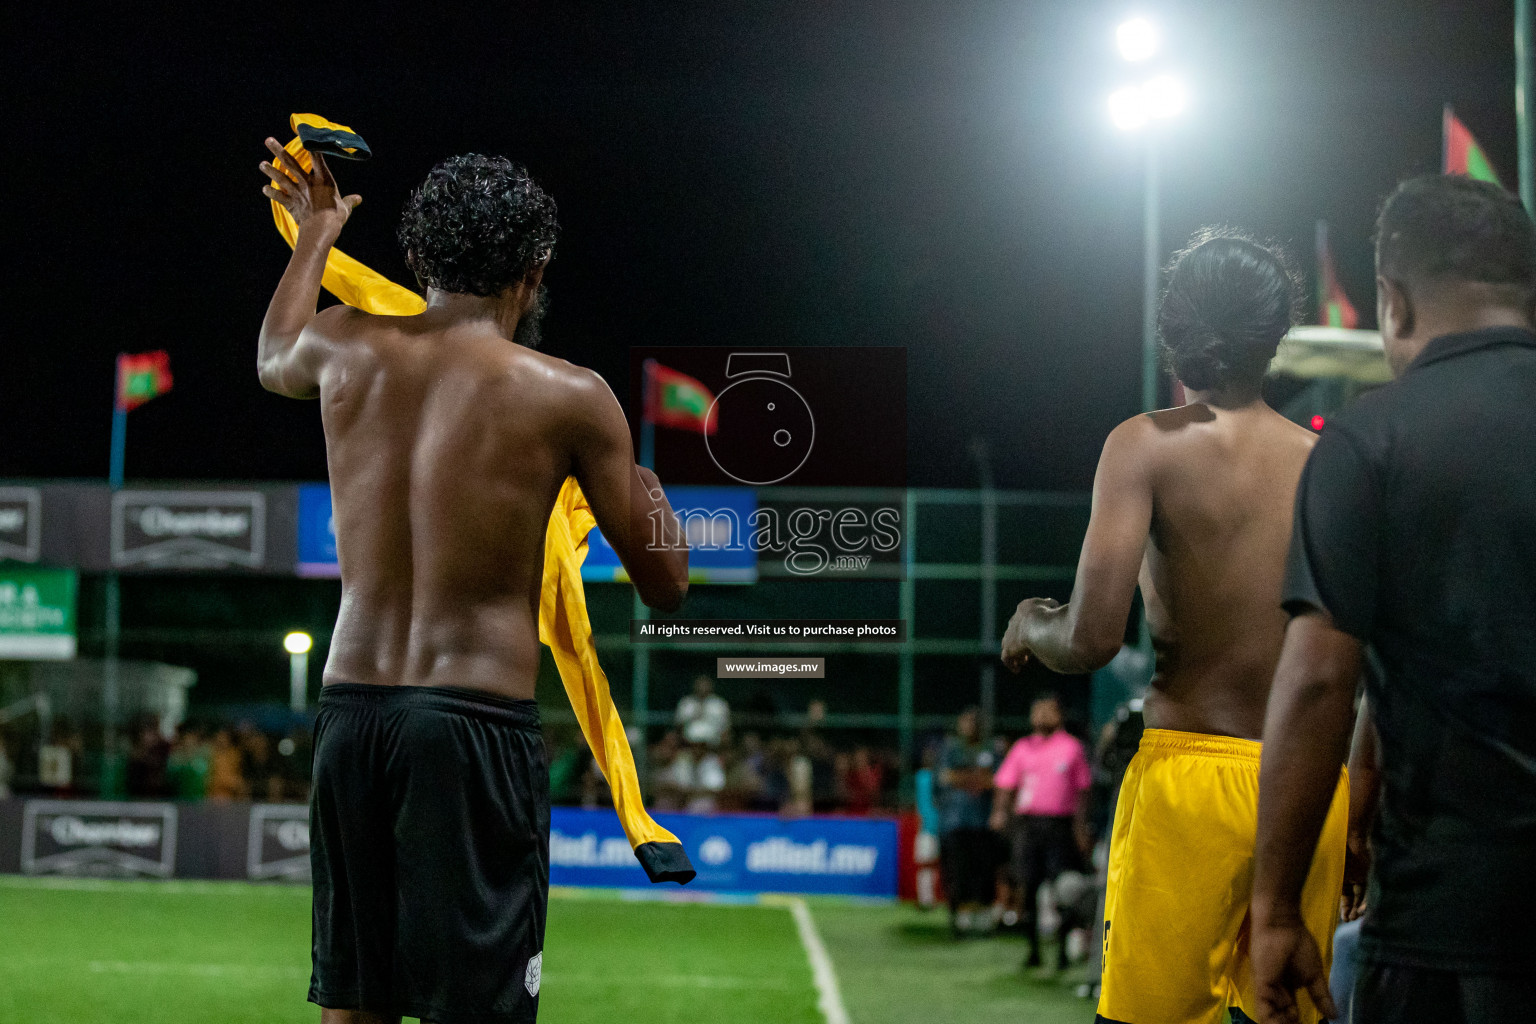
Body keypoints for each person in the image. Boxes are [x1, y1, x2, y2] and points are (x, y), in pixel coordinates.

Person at [258, 140, 688, 1024]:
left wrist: (317, 234)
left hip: (351, 715)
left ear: (415, 260)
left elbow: (273, 357)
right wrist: (650, 495)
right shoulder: (569, 395)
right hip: (471, 728)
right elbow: (665, 582)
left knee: (354, 1007)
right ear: (534, 273)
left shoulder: (343, 344)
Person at [1001, 229, 1348, 1024]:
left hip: (1189, 783)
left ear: (1176, 330)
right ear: (1275, 336)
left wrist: (1030, 623)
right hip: (1306, 787)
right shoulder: (1330, 464)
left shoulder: (1144, 446)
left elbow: (1090, 640)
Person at [1251, 175, 1536, 1024]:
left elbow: (1317, 685)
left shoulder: (1371, 441)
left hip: (1453, 919)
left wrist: (1275, 910)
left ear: (1393, 302)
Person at [990, 694, 1091, 969]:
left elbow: (1083, 791)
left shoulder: (1071, 748)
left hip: (1059, 826)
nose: (1041, 716)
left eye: (1047, 711)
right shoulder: (1023, 748)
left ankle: (1062, 951)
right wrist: (1000, 812)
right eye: (1037, 711)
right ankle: (1033, 950)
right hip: (1028, 826)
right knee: (1028, 885)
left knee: (1063, 889)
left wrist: (1080, 828)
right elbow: (1006, 784)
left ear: (1059, 715)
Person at [934, 707, 998, 936]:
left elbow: (996, 780)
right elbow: (944, 777)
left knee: (983, 871)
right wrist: (976, 778)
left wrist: (963, 778)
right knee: (956, 871)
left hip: (982, 821)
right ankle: (957, 918)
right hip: (955, 821)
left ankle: (982, 917)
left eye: (975, 721)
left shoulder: (991, 749)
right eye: (966, 721)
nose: (971, 725)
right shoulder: (950, 749)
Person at [674, 674, 730, 747]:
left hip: (713, 744)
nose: (703, 687)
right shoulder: (686, 702)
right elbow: (678, 725)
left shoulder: (720, 704)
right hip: (689, 744)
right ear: (695, 685)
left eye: (705, 685)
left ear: (711, 686)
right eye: (700, 684)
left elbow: (726, 727)